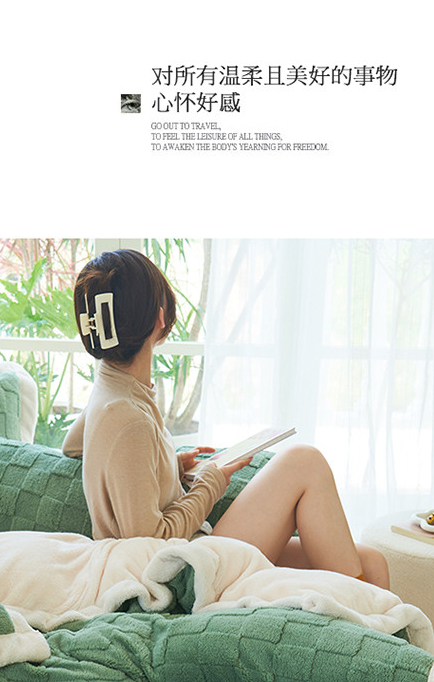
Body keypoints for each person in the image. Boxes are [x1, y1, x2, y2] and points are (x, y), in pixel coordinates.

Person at [62, 249, 389, 589]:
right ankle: (360, 610)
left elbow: (74, 446)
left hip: (191, 554)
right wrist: (210, 482)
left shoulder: (109, 388)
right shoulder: (129, 416)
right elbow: (151, 544)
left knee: (372, 562)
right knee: (305, 462)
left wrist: (164, 466)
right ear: (160, 318)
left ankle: (368, 615)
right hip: (181, 576)